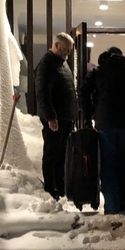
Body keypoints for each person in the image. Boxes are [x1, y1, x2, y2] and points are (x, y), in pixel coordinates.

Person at [80, 46, 125, 214]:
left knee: (108, 165)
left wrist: (89, 115)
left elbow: (83, 91)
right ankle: (124, 203)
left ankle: (112, 206)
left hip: (105, 125)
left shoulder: (98, 72)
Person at [33, 32, 77, 199]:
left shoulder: (61, 63)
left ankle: (61, 187)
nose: (68, 53)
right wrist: (51, 117)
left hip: (65, 117)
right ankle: (51, 189)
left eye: (70, 51)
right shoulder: (46, 64)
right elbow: (42, 93)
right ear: (56, 45)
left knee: (61, 155)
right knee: (52, 154)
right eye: (65, 49)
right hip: (55, 118)